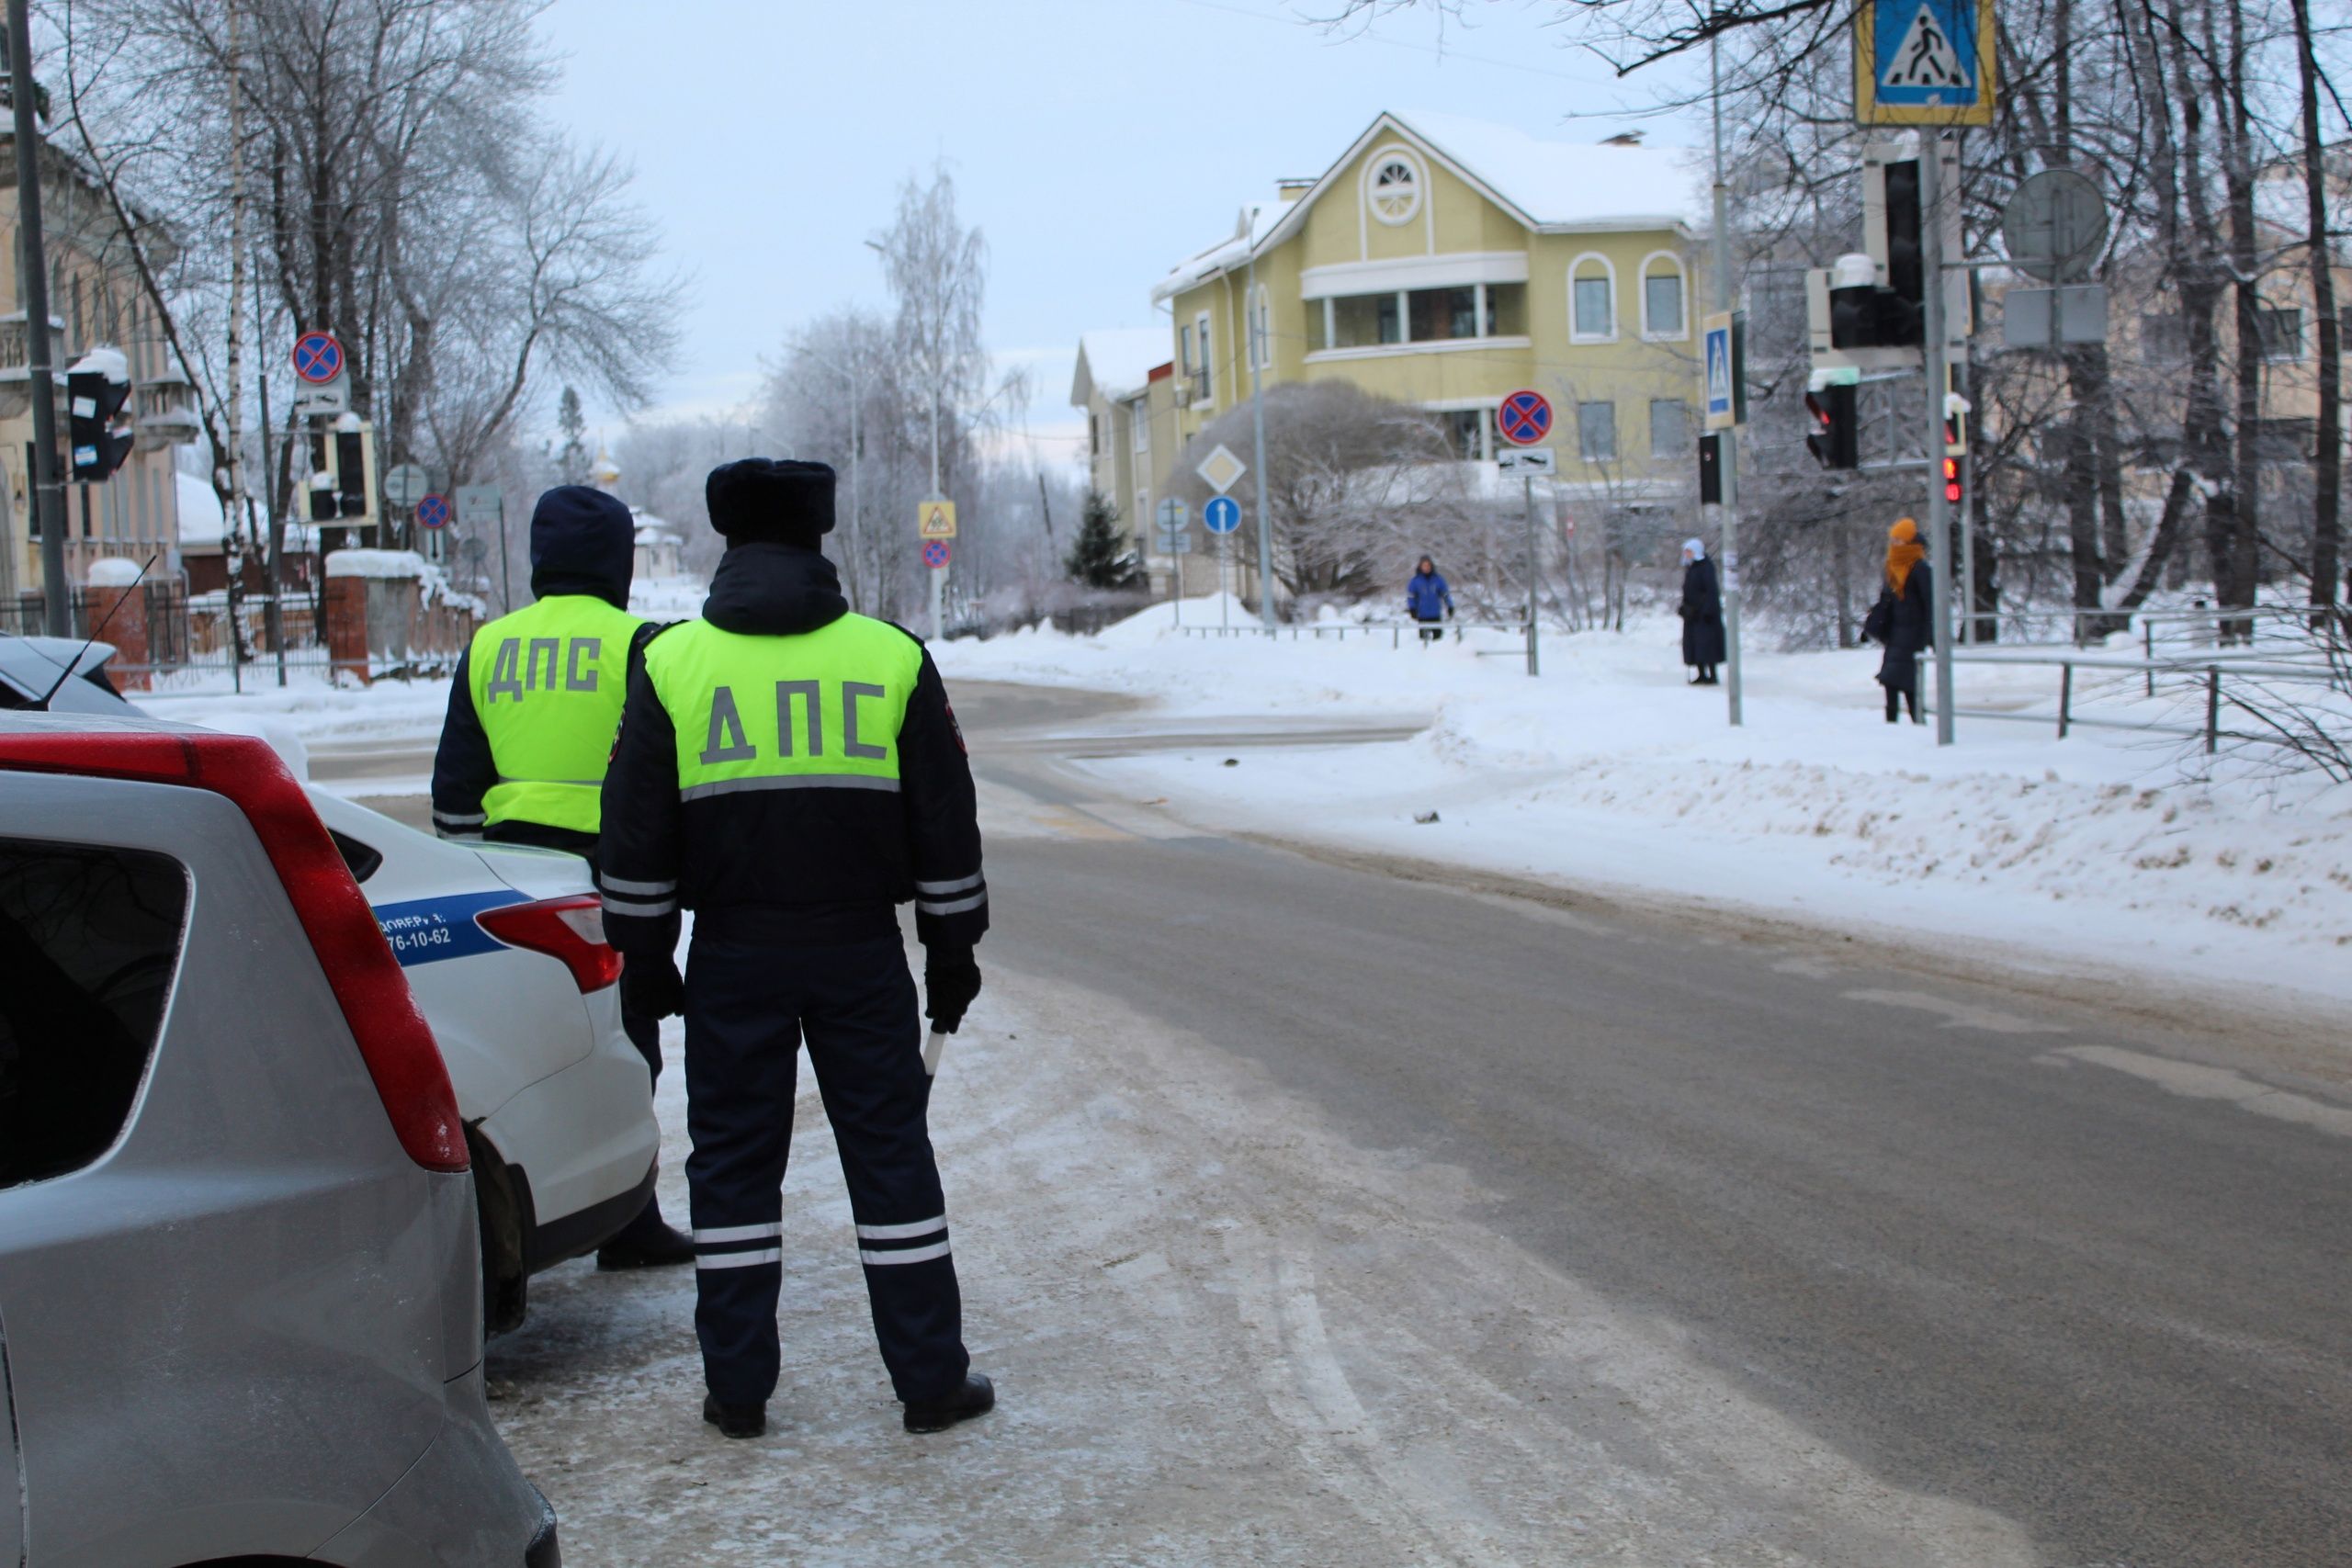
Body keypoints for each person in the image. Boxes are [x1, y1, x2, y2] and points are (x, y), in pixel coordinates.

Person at [597, 457, 994, 1440]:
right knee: (891, 1159)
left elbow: (634, 836)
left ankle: (737, 1392)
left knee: (731, 1166)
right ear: (819, 533)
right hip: (861, 954)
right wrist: (950, 948)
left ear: (725, 535)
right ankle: (930, 1384)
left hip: (733, 953)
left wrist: (644, 960)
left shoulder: (671, 662)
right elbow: (946, 823)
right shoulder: (890, 656)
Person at [431, 484, 694, 1269]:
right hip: (606, 878)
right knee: (624, 1042)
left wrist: (470, 870)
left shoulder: (489, 645)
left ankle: (549, 1205)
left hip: (509, 876)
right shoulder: (642, 642)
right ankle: (628, 1215)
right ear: (619, 561)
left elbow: (454, 792)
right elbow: (666, 776)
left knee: (523, 1049)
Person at [1863, 516, 1933, 723]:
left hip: (1914, 635)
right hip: (1895, 635)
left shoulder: (1920, 568)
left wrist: (1930, 635)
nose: (1894, 545)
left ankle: (1917, 724)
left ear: (1910, 542)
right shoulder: (1892, 567)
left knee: (1908, 684)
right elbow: (1887, 602)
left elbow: (1931, 604)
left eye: (1899, 541)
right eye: (1893, 541)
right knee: (1890, 681)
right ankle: (1893, 726)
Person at [1678, 537, 1724, 685]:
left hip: (1705, 614)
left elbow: (1711, 591)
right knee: (1695, 644)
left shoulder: (1706, 567)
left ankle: (1712, 674)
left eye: (1689, 551)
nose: (1686, 554)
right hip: (1693, 614)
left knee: (1707, 644)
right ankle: (1701, 673)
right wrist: (1685, 607)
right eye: (1686, 551)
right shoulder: (1692, 568)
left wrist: (1709, 610)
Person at [1406, 556, 1453, 644]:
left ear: (1431, 566)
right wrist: (1412, 609)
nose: (1426, 567)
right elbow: (1410, 596)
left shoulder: (1438, 579)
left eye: (1428, 565)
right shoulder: (1415, 581)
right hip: (1422, 615)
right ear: (1420, 566)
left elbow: (1446, 594)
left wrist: (1450, 606)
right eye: (1424, 565)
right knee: (1423, 642)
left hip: (1435, 614)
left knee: (1438, 642)